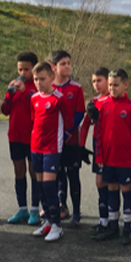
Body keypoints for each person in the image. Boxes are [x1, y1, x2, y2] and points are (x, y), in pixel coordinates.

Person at [92, 69, 131, 245]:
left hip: (125, 160)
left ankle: (127, 227)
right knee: (112, 190)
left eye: (116, 85)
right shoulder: (104, 106)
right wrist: (99, 155)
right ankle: (113, 226)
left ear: (125, 85)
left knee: (126, 192)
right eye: (111, 85)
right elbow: (99, 133)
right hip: (108, 160)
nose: (112, 88)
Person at [29, 61, 73, 242]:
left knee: (49, 185)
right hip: (35, 146)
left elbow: (69, 124)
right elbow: (34, 120)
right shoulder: (34, 98)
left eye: (42, 79)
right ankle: (47, 220)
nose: (39, 83)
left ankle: (57, 224)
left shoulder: (59, 99)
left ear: (52, 78)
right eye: (36, 79)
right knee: (39, 186)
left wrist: (60, 142)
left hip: (52, 148)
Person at [3, 52, 41, 226]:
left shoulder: (37, 87)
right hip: (15, 136)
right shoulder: (14, 86)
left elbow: (36, 108)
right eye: (20, 69)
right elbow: (4, 110)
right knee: (19, 172)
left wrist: (25, 92)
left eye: (27, 69)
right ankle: (22, 208)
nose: (23, 73)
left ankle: (35, 209)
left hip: (32, 137)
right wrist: (10, 94)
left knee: (34, 172)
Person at [49, 50, 86, 226]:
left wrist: (68, 131)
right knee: (57, 175)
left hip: (71, 140)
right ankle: (61, 206)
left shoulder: (76, 88)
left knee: (73, 175)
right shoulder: (49, 88)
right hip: (53, 141)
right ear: (53, 67)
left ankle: (77, 212)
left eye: (68, 63)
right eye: (63, 63)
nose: (67, 66)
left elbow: (80, 113)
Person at [80, 67, 112, 238]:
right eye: (93, 81)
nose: (96, 84)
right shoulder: (94, 101)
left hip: (111, 144)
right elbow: (86, 124)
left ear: (108, 80)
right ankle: (103, 220)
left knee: (108, 182)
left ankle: (112, 220)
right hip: (98, 143)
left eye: (99, 80)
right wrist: (80, 146)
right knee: (100, 183)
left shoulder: (112, 100)